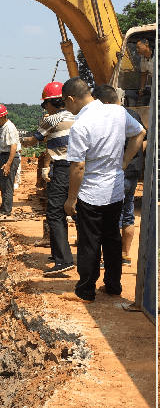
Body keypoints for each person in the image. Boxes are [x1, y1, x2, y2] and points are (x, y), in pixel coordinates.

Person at [60, 77, 145, 303]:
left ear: (71, 99)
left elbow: (78, 166)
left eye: (65, 104)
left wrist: (71, 199)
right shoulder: (117, 112)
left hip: (91, 192)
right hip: (115, 188)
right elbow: (140, 133)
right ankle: (113, 286)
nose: (67, 108)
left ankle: (86, 291)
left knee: (89, 241)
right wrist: (125, 162)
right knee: (112, 238)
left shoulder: (80, 125)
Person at [22, 82, 75, 276]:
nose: (45, 109)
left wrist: (20, 141)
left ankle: (64, 260)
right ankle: (59, 254)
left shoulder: (51, 119)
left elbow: (32, 140)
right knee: (75, 208)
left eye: (45, 105)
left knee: (54, 212)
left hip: (62, 168)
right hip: (79, 168)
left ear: (51, 104)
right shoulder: (75, 116)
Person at [92, 84, 145, 266]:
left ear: (105, 102)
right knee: (127, 213)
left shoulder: (108, 118)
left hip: (114, 173)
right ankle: (125, 255)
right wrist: (130, 158)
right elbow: (142, 140)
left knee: (107, 215)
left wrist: (122, 161)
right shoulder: (133, 115)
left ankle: (104, 257)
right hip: (132, 171)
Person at [136, 38, 154, 105]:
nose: (137, 50)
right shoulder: (143, 60)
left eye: (139, 47)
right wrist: (142, 88)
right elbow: (144, 74)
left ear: (146, 46)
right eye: (136, 48)